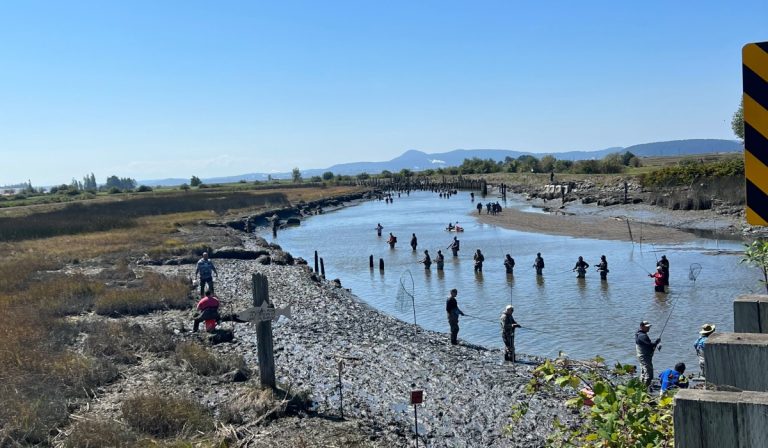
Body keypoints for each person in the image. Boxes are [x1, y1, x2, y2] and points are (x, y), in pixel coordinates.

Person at [635, 320, 661, 390]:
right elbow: (650, 345)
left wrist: (655, 344)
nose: (648, 328)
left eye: (649, 327)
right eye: (646, 327)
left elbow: (648, 345)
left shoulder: (638, 334)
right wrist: (656, 342)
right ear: (641, 327)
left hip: (641, 356)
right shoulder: (642, 336)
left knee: (643, 372)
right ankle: (645, 389)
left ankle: (641, 387)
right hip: (644, 357)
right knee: (649, 375)